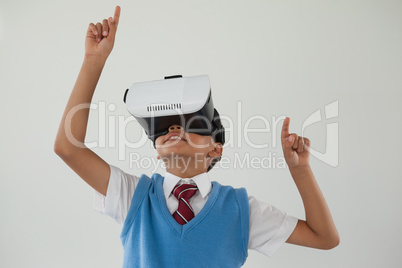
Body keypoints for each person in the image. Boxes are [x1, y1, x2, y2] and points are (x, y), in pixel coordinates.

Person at [54, 5, 339, 267]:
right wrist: (94, 60)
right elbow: (68, 148)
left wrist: (300, 170)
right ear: (156, 149)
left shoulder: (241, 210)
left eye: (191, 123)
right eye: (164, 127)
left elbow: (324, 237)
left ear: (216, 149)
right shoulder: (132, 197)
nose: (174, 129)